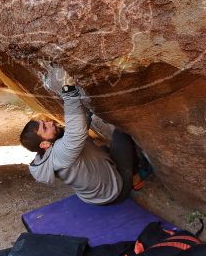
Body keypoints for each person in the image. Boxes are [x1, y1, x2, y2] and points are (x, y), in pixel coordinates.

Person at [19, 69, 140, 205]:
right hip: (115, 191)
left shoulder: (46, 153)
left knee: (102, 148)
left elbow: (76, 127)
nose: (50, 122)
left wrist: (87, 113)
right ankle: (137, 172)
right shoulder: (59, 155)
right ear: (44, 144)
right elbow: (76, 132)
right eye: (45, 128)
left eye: (44, 122)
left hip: (92, 196)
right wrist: (68, 90)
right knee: (120, 134)